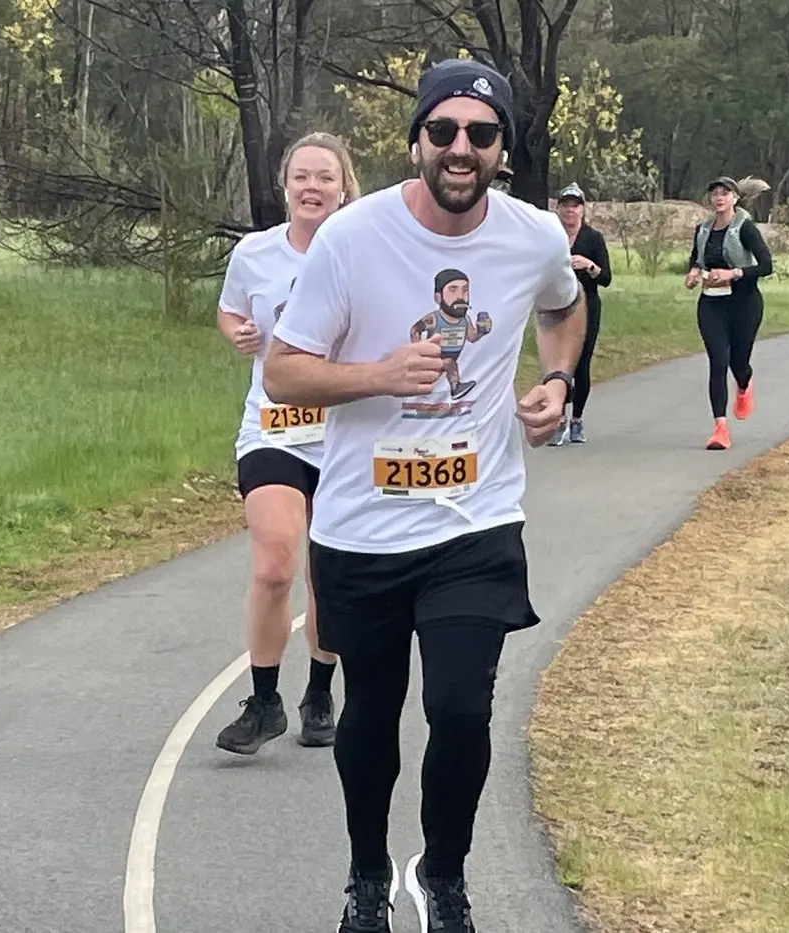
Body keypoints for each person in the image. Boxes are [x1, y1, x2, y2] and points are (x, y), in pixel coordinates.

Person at [264, 58, 585, 933]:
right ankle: (368, 876)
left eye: (481, 134)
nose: (460, 148)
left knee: (460, 710)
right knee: (371, 717)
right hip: (363, 529)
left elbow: (564, 308)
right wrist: (376, 373)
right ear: (417, 142)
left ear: (502, 149)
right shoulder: (352, 238)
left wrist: (558, 381)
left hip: (476, 523)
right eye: (443, 131)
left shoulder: (532, 237)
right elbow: (283, 368)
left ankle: (444, 875)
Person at [214, 131, 360, 755]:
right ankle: (264, 701)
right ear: (285, 186)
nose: (312, 187)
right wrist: (239, 333)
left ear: (344, 189)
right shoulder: (255, 253)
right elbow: (230, 311)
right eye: (302, 176)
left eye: (325, 177)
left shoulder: (362, 252)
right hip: (273, 428)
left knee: (328, 576)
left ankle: (319, 692)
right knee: (275, 565)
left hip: (344, 434)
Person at [684, 175, 774, 450]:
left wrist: (733, 273)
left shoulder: (745, 228)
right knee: (718, 362)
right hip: (712, 304)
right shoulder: (703, 229)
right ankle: (720, 429)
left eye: (725, 193)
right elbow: (697, 258)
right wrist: (694, 272)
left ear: (734, 198)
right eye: (715, 194)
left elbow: (767, 266)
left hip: (745, 304)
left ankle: (744, 385)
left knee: (738, 363)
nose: (719, 198)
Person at [548, 183, 611, 446]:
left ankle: (577, 419)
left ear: (583, 210)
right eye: (565, 205)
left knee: (581, 364)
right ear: (558, 209)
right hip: (557, 308)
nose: (570, 211)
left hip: (587, 306)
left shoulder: (593, 238)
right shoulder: (551, 237)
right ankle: (559, 419)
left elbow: (606, 278)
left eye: (575, 206)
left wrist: (590, 265)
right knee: (558, 366)